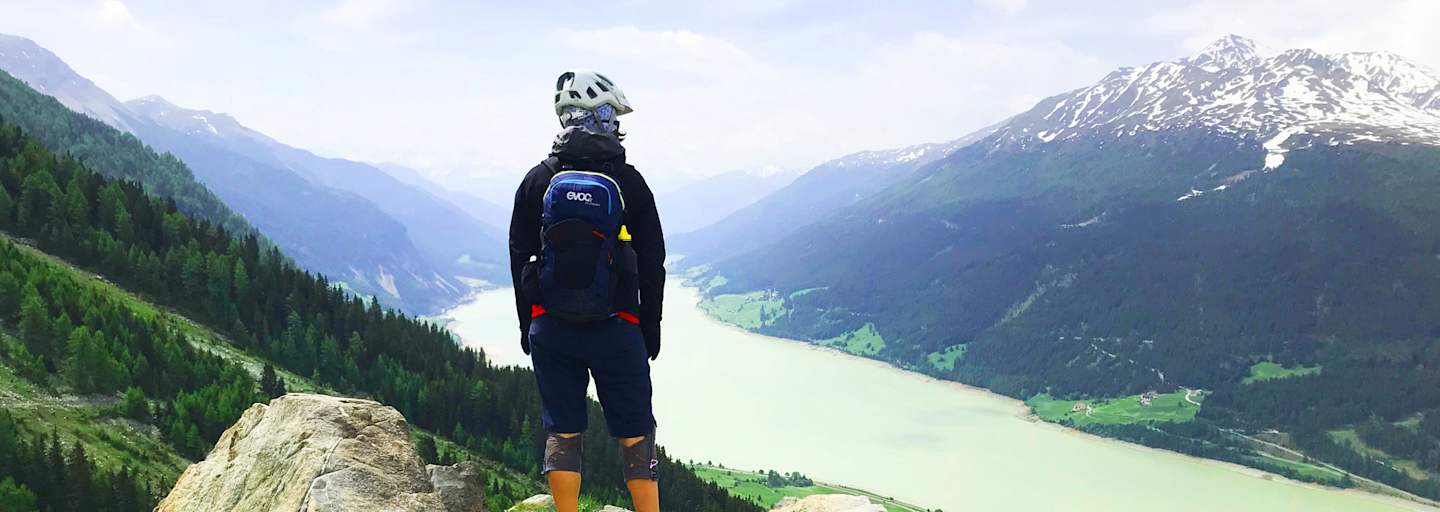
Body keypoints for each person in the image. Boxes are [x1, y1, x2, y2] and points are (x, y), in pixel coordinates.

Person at [508, 70, 665, 512]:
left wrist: (529, 323)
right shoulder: (629, 182)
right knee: (635, 431)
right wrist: (648, 328)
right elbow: (653, 261)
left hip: (552, 327)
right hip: (618, 328)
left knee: (563, 429)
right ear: (605, 116)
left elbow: (520, 256)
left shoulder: (538, 179)